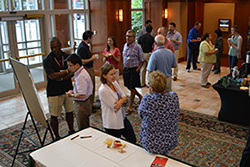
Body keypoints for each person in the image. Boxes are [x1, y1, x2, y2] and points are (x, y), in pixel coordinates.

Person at [138, 70, 179, 154]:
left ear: (152, 88)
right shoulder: (174, 97)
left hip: (150, 143)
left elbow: (140, 114)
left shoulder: (147, 99)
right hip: (169, 142)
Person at [43, 37, 75, 140]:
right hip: (54, 91)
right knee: (54, 115)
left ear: (60, 46)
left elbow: (72, 72)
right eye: (52, 48)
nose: (54, 50)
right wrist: (65, 72)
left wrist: (61, 77)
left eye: (56, 47)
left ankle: (71, 130)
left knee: (70, 111)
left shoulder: (67, 57)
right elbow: (52, 76)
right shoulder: (47, 60)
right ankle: (57, 137)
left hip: (67, 89)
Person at [99, 64, 136, 143]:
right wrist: (121, 101)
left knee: (132, 140)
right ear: (104, 76)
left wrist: (120, 101)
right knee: (116, 145)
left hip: (122, 117)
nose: (114, 76)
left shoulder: (114, 83)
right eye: (111, 74)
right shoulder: (103, 90)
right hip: (112, 122)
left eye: (114, 73)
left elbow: (124, 96)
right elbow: (115, 107)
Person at [66, 54, 93, 130]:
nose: (68, 68)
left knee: (83, 129)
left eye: (70, 65)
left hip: (82, 105)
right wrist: (73, 91)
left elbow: (82, 95)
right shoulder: (80, 72)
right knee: (84, 125)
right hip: (84, 103)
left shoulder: (81, 76)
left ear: (77, 65)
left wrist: (71, 95)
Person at [122, 30, 145, 115]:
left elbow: (142, 60)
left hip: (134, 69)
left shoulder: (137, 47)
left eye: (130, 36)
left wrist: (138, 69)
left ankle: (130, 107)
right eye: (127, 36)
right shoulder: (125, 45)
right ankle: (140, 96)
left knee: (132, 88)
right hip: (126, 69)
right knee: (128, 86)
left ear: (134, 38)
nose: (128, 38)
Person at [77, 30, 99, 112]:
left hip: (89, 68)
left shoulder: (85, 46)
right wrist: (92, 58)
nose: (92, 39)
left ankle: (91, 104)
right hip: (86, 70)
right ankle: (89, 106)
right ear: (88, 38)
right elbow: (82, 61)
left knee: (92, 87)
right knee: (89, 88)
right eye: (92, 37)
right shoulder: (82, 47)